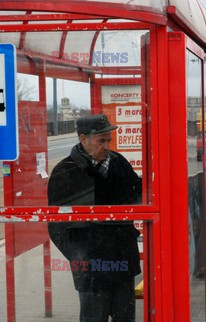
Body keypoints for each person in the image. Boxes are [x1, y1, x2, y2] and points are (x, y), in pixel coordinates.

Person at [48, 114, 142, 322]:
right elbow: (56, 225)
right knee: (94, 318)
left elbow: (137, 194)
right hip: (91, 265)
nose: (107, 145)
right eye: (102, 141)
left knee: (125, 317)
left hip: (122, 258)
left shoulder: (118, 163)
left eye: (109, 140)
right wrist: (80, 257)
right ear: (83, 139)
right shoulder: (65, 171)